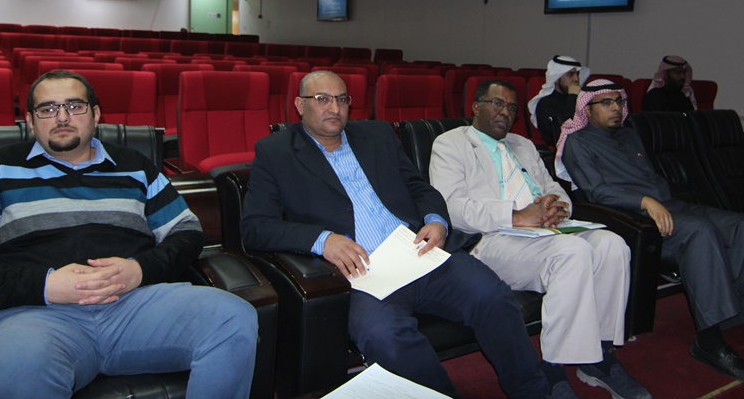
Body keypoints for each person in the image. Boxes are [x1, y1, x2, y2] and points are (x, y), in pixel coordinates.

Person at [240, 71, 552, 399]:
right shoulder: (275, 152)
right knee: (384, 335)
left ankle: (533, 393)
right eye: (322, 99)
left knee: (492, 295)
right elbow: (255, 227)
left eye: (342, 99)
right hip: (361, 274)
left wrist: (436, 220)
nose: (334, 108)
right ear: (300, 105)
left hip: (416, 251)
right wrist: (322, 239)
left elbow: (419, 187)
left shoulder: (377, 135)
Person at [0, 70, 259, 398]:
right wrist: (44, 286)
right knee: (16, 367)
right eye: (47, 109)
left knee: (232, 317)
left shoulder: (135, 166)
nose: (62, 117)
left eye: (74, 106)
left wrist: (139, 270)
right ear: (30, 120)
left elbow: (186, 232)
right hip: (35, 317)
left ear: (96, 114)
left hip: (134, 307)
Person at [558, 80, 744, 383]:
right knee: (700, 233)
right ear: (587, 109)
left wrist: (657, 200)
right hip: (633, 218)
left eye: (619, 101)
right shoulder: (578, 142)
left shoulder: (629, 135)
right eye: (606, 103)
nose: (616, 108)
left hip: (671, 205)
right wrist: (645, 201)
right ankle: (709, 342)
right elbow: (596, 192)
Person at [430, 79, 650, 399]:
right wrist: (517, 216)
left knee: (613, 245)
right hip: (492, 238)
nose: (505, 112)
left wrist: (557, 208)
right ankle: (552, 368)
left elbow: (554, 188)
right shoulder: (450, 144)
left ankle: (599, 358)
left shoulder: (523, 144)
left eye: (511, 108)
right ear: (476, 107)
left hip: (546, 231)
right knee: (572, 252)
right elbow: (450, 207)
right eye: (497, 104)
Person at [528, 55, 590, 146]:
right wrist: (572, 97)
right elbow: (562, 134)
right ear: (556, 79)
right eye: (570, 74)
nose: (576, 79)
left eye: (577, 74)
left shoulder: (581, 98)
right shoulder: (545, 103)